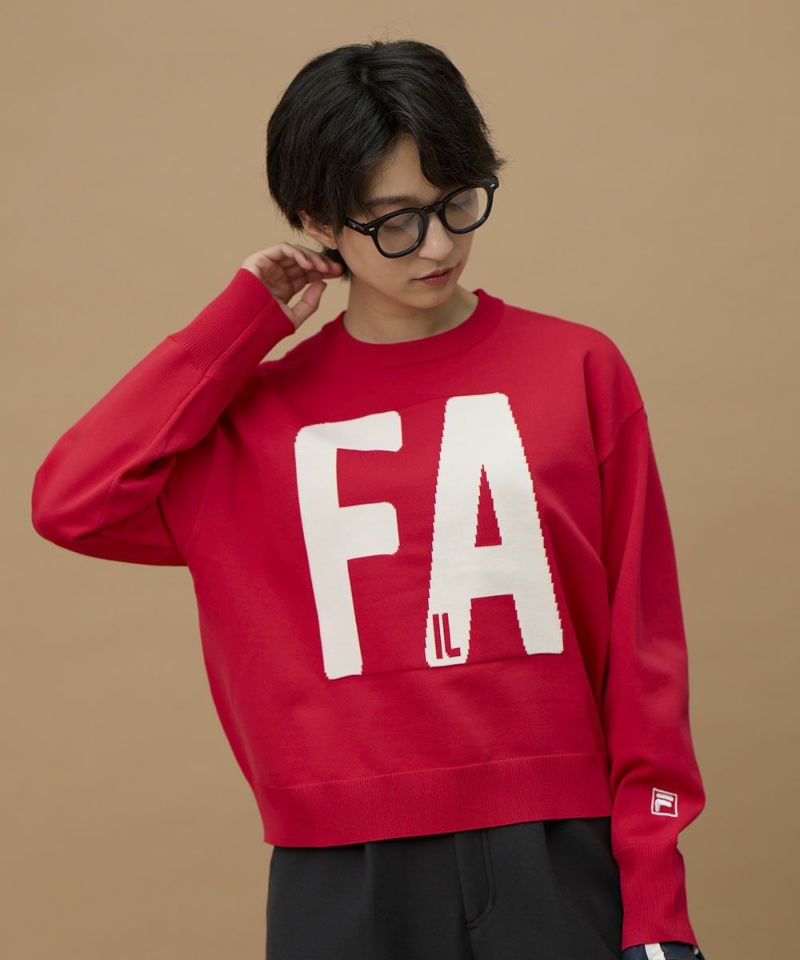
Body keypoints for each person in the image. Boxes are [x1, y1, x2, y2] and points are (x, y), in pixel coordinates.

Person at [30, 38, 708, 960]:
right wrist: (239, 325)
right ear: (319, 219)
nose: (439, 245)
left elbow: (643, 657)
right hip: (340, 876)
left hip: (556, 854)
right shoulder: (254, 426)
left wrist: (657, 909)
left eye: (457, 201)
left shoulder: (577, 369)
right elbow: (72, 500)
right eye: (396, 221)